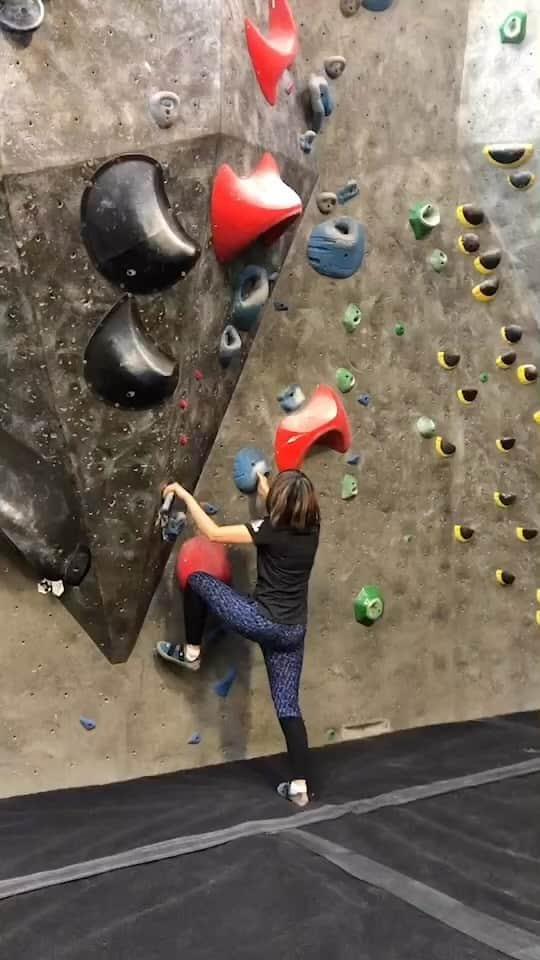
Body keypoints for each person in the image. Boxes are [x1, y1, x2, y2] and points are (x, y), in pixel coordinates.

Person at [157, 469, 320, 807]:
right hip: (292, 632)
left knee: (198, 580)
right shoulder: (312, 529)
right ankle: (301, 787)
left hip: (260, 620)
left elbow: (214, 533)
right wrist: (264, 486)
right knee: (288, 706)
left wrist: (186, 497)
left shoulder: (269, 531)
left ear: (280, 505)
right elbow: (285, 510)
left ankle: (190, 652)